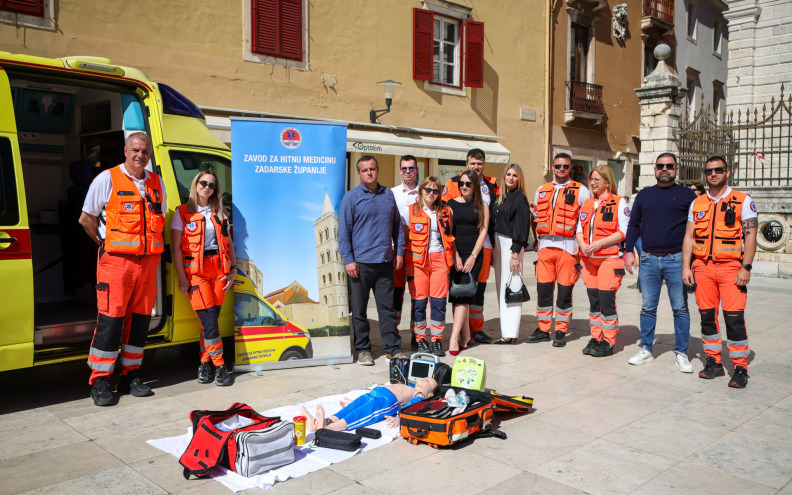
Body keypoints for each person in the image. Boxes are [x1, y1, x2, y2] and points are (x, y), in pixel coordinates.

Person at [78, 132, 166, 406]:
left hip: (147, 263)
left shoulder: (156, 182)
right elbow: (86, 219)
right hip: (116, 262)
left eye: (145, 152)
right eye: (136, 150)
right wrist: (104, 243)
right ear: (126, 151)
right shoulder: (107, 179)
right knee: (111, 319)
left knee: (140, 320)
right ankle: (100, 380)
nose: (141, 155)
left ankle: (130, 375)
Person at [682, 156, 757, 388]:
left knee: (734, 318)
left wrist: (746, 266)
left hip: (731, 268)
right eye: (709, 171)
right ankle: (713, 362)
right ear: (705, 175)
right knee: (707, 317)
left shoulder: (742, 200)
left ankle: (740, 367)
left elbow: (751, 235)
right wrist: (686, 266)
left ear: (727, 172)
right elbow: (689, 236)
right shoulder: (698, 203)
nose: (713, 174)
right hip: (702, 267)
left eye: (718, 170)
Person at [624, 153, 697, 372]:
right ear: (655, 169)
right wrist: (628, 251)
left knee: (680, 308)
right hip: (648, 259)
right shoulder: (644, 195)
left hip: (676, 260)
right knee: (647, 307)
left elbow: (694, 230)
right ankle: (646, 348)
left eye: (669, 166)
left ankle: (682, 353)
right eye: (660, 166)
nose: (664, 169)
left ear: (677, 169)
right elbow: (633, 225)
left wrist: (690, 262)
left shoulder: (687, 195)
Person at [339, 156, 407, 366]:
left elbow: (397, 225)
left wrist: (399, 252)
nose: (369, 173)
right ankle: (363, 350)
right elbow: (343, 233)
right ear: (359, 174)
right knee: (359, 311)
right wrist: (349, 260)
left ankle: (393, 349)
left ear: (378, 171)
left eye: (372, 169)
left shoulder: (388, 194)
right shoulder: (350, 198)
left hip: (385, 261)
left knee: (387, 309)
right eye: (364, 170)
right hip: (360, 264)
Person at [172, 170, 237, 386]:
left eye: (211, 185)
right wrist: (182, 277)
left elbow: (228, 242)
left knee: (210, 321)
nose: (207, 187)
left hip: (219, 270)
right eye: (203, 183)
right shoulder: (181, 212)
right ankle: (220, 366)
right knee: (209, 319)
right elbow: (176, 250)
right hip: (195, 273)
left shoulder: (221, 211)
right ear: (196, 184)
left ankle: (204, 364)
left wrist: (233, 270)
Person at [525, 153, 590, 347]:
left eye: (565, 166)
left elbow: (585, 220)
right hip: (545, 247)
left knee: (564, 291)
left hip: (569, 247)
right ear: (552, 167)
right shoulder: (542, 190)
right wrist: (535, 237)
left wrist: (582, 242)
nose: (561, 169)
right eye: (558, 166)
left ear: (570, 168)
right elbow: (535, 215)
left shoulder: (581, 190)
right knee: (543, 290)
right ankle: (544, 329)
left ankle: (561, 330)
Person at [442, 149, 500, 344]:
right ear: (466, 164)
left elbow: (497, 212)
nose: (476, 166)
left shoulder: (493, 184)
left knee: (479, 287)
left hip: (484, 245)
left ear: (484, 164)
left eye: (480, 163)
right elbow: (445, 212)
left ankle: (477, 329)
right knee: (461, 289)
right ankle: (462, 332)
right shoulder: (452, 183)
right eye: (472, 163)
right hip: (459, 245)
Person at [576, 165, 629, 357]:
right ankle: (596, 337)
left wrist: (600, 243)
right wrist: (582, 244)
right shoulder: (588, 203)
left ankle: (608, 340)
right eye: (591, 179)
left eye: (597, 180)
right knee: (594, 301)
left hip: (609, 258)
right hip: (589, 261)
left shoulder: (619, 202)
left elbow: (624, 232)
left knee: (606, 302)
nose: (592, 183)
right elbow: (579, 228)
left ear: (607, 182)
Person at [405, 177, 455, 357]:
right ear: (421, 190)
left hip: (440, 259)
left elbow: (451, 235)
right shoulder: (410, 211)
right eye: (428, 189)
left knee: (438, 302)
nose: (431, 193)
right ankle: (420, 339)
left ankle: (437, 339)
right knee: (419, 302)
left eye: (435, 190)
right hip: (418, 262)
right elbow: (403, 236)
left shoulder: (446, 211)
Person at [447, 170, 489, 355]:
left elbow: (483, 232)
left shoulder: (483, 206)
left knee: (464, 294)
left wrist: (472, 256)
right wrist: (455, 254)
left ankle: (453, 338)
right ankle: (466, 335)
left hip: (474, 255)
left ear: (475, 186)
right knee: (457, 294)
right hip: (455, 253)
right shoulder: (450, 204)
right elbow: (449, 232)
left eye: (468, 184)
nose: (464, 187)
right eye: (461, 184)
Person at [300, 378, 439, 432]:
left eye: (428, 382)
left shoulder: (419, 396)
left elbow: (411, 410)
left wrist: (399, 419)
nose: (424, 379)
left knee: (357, 415)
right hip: (374, 394)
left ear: (430, 395)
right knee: (350, 409)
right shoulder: (410, 386)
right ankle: (320, 422)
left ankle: (325, 428)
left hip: (385, 402)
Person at [490, 164, 531, 345]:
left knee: (512, 287)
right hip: (498, 244)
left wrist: (515, 254)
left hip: (511, 246)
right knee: (501, 288)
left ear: (519, 178)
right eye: (508, 174)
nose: (511, 178)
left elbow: (522, 228)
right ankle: (505, 330)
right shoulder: (500, 198)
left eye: (515, 175)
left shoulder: (520, 199)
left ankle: (510, 333)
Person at [391, 156, 420, 338]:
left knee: (418, 292)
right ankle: (393, 331)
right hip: (397, 247)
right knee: (396, 290)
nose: (408, 172)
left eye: (411, 168)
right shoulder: (392, 193)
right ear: (400, 171)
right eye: (404, 169)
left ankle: (417, 333)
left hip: (419, 247)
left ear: (417, 170)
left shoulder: (426, 191)